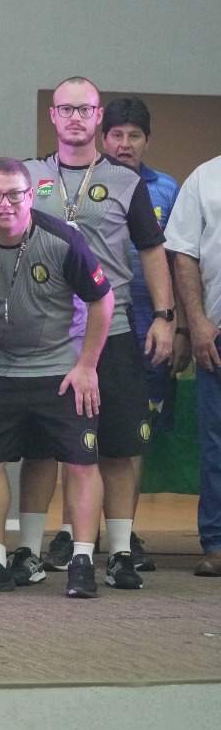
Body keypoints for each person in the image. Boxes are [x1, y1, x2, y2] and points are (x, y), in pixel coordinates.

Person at [20, 78, 173, 590]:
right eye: (66, 108)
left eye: (85, 109)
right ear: (54, 116)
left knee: (116, 446)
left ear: (98, 115)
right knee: (48, 446)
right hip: (47, 333)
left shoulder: (127, 182)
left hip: (116, 328)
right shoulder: (30, 175)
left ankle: (122, 552)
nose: (76, 118)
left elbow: (152, 250)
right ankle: (30, 551)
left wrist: (165, 316)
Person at [0, 158, 113, 598]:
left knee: (81, 464)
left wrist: (86, 366)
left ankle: (81, 561)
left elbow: (103, 300)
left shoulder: (63, 239)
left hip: (61, 371)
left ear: (30, 194)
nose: (6, 204)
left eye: (15, 194)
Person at [101, 96, 186, 570]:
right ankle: (73, 535)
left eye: (134, 135)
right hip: (90, 328)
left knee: (134, 434)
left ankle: (123, 534)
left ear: (147, 141)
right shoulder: (84, 184)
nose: (125, 143)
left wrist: (177, 325)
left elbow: (179, 260)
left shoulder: (167, 190)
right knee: (81, 431)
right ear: (103, 137)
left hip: (150, 327)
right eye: (117, 134)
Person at [166, 154, 221, 575]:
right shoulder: (205, 177)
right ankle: (217, 541)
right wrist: (197, 323)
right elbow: (183, 254)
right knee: (216, 444)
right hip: (217, 332)